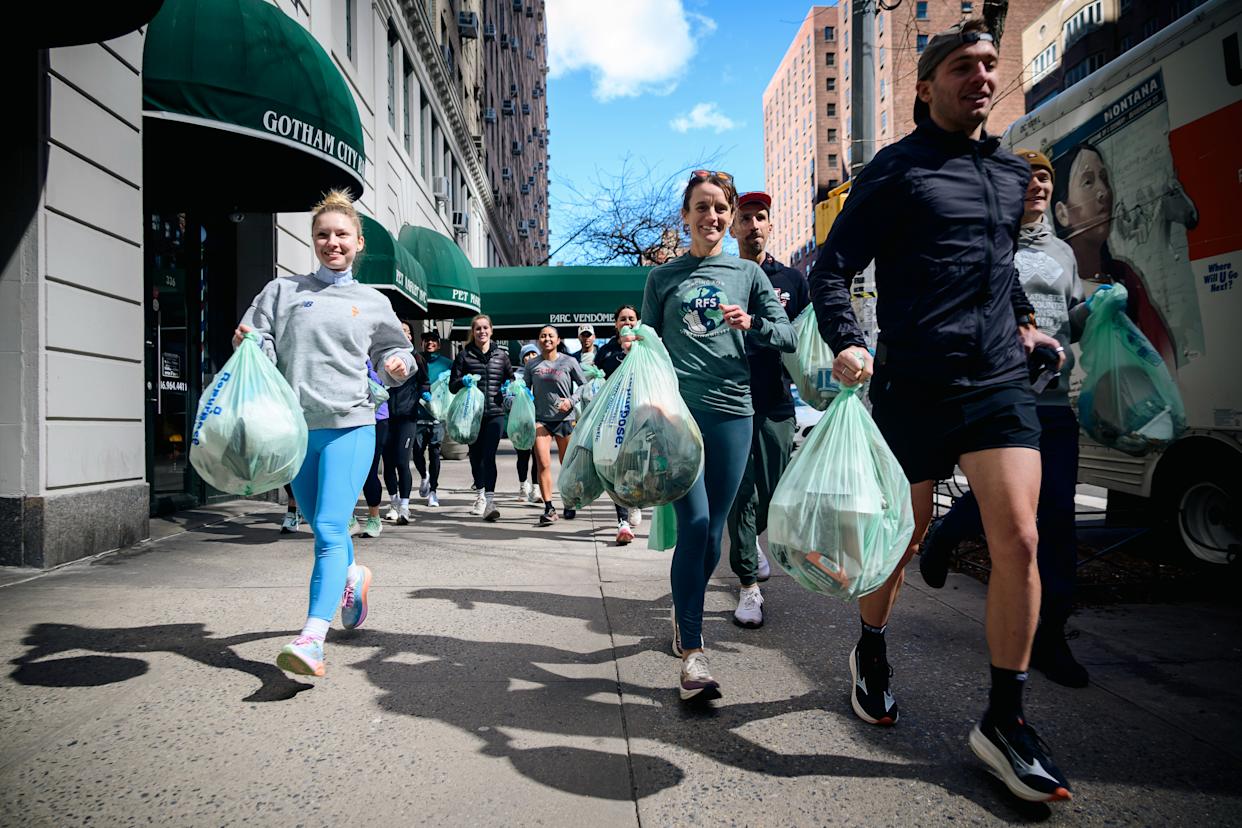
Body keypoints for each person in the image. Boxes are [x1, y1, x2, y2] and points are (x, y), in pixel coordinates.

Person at [808, 21, 1074, 803]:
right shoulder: (896, 171)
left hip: (996, 381)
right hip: (913, 384)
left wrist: (1026, 323)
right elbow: (834, 268)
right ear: (927, 86)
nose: (982, 77)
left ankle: (1005, 719)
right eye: (963, 66)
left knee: (1020, 537)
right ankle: (872, 649)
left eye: (991, 65)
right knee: (905, 534)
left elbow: (999, 267)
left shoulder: (1008, 174)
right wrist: (849, 340)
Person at [920, 150, 1098, 688]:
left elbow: (1070, 324)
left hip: (1052, 400)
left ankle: (1050, 633)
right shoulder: (986, 244)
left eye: (1044, 177)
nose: (1037, 186)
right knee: (1014, 509)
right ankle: (949, 531)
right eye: (1026, 178)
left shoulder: (1065, 254)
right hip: (995, 396)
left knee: (1055, 519)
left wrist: (1100, 309)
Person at [234, 189, 414, 678]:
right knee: (319, 524)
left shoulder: (372, 301)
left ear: (358, 243)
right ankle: (353, 576)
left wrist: (395, 363)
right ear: (313, 240)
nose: (331, 242)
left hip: (351, 423)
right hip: (294, 429)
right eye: (323, 234)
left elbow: (397, 354)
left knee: (332, 528)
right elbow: (259, 341)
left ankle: (313, 637)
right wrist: (248, 341)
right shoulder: (281, 291)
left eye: (341, 235)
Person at [640, 169, 795, 702]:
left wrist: (752, 322)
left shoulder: (749, 275)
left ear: (730, 218)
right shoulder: (663, 278)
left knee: (713, 533)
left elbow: (788, 333)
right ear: (685, 216)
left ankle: (685, 616)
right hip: (679, 417)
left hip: (735, 413)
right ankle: (693, 652)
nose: (712, 217)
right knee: (698, 521)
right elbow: (647, 346)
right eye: (701, 207)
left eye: (720, 209)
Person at [725, 191, 809, 629]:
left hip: (777, 402)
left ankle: (749, 543)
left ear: (770, 226)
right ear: (734, 227)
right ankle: (747, 588)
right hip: (732, 402)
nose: (754, 224)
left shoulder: (792, 280)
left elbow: (811, 336)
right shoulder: (723, 278)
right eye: (746, 217)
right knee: (741, 495)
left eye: (761, 217)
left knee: (772, 492)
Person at [1051, 140, 1176, 369]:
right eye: (1088, 182)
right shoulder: (1057, 284)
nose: (1104, 192)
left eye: (1105, 179)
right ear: (1062, 214)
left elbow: (1163, 356)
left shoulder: (1123, 276)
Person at [451, 314, 513, 522]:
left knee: (489, 456)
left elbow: (511, 380)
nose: (482, 332)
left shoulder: (501, 356)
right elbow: (452, 385)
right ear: (473, 332)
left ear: (491, 330)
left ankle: (490, 500)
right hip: (472, 415)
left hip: (495, 413)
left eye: (485, 328)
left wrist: (509, 388)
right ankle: (479, 495)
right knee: (476, 457)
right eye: (478, 328)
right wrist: (463, 381)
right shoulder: (464, 355)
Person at [523, 326, 587, 526]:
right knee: (542, 463)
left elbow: (584, 385)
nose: (546, 339)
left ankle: (569, 501)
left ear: (558, 340)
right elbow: (525, 389)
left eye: (551, 335)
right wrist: (516, 395)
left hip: (565, 419)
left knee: (566, 465)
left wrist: (571, 400)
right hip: (541, 419)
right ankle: (549, 507)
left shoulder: (569, 361)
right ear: (539, 340)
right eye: (543, 336)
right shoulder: (532, 364)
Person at [595, 305, 644, 544]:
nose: (627, 322)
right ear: (615, 323)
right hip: (614, 416)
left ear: (638, 321)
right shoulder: (605, 351)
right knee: (615, 466)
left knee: (637, 465)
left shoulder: (645, 345)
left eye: (631, 318)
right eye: (622, 319)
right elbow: (595, 380)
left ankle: (634, 500)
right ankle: (622, 521)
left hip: (642, 414)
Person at [382, 322, 428, 524]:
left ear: (411, 336)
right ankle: (393, 503)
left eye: (407, 331)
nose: (404, 334)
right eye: (399, 329)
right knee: (388, 464)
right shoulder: (383, 356)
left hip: (407, 416)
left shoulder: (417, 358)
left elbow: (424, 382)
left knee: (402, 461)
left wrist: (425, 395)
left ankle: (405, 507)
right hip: (384, 416)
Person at [353, 360, 392, 538]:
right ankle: (349, 518)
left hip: (377, 418)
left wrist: (368, 370)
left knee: (369, 469)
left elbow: (386, 381)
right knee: (347, 470)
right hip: (350, 417)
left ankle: (374, 518)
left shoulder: (377, 353)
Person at [414, 330, 453, 507]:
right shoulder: (416, 360)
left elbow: (454, 386)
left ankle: (433, 492)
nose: (430, 343)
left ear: (438, 343)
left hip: (437, 417)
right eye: (426, 340)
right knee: (417, 452)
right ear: (422, 344)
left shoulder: (447, 364)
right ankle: (424, 475)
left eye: (433, 340)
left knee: (435, 452)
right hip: (417, 414)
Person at [513, 344, 541, 504]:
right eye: (527, 354)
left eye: (533, 354)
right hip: (521, 423)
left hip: (538, 420)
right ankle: (523, 485)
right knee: (522, 456)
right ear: (522, 358)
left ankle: (536, 488)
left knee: (538, 456)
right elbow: (510, 397)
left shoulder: (540, 372)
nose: (530, 357)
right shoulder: (516, 376)